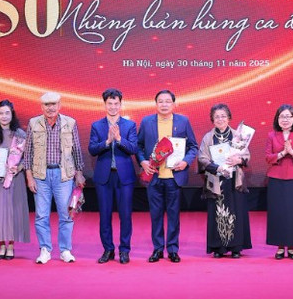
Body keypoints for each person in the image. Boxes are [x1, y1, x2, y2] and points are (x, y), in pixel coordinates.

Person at [137, 89, 198, 263]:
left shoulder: (183, 121)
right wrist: (142, 161)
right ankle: (157, 249)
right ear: (156, 104)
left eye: (168, 101)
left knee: (173, 215)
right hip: (154, 176)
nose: (164, 104)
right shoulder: (147, 122)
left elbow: (193, 146)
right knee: (155, 215)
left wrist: (186, 161)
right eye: (161, 101)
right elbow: (139, 146)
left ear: (174, 104)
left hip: (174, 176)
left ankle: (172, 249)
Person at [24, 91, 86, 264]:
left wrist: (79, 173)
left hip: (64, 175)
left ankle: (65, 250)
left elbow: (76, 150)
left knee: (66, 214)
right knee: (41, 215)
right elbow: (27, 152)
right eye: (47, 104)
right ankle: (45, 249)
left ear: (59, 105)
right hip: (40, 175)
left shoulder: (70, 122)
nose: (50, 108)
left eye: (53, 104)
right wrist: (29, 177)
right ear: (41, 107)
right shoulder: (33, 123)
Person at [88, 88, 138, 264]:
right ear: (104, 104)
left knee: (125, 215)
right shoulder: (97, 125)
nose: (113, 107)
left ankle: (124, 250)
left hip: (125, 178)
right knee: (105, 215)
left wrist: (119, 139)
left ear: (121, 104)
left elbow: (133, 148)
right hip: (104, 177)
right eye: (110, 103)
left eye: (116, 103)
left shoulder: (130, 125)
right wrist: (108, 141)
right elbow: (92, 149)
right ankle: (108, 249)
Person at [197, 103, 252, 258]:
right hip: (216, 180)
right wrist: (217, 168)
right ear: (212, 119)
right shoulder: (208, 137)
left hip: (234, 180)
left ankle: (236, 247)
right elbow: (202, 158)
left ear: (229, 118)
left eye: (223, 116)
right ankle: (218, 248)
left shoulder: (237, 136)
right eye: (216, 117)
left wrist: (238, 160)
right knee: (217, 212)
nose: (220, 119)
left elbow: (246, 155)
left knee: (236, 211)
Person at [0, 100, 31, 260]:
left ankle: (10, 246)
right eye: (1, 113)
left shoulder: (20, 134)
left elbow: (27, 157)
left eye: (7, 113)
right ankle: (1, 246)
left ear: (12, 115)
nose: (4, 116)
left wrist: (19, 167)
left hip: (15, 178)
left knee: (12, 212)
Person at [265, 104, 293, 260]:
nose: (285, 119)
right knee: (277, 212)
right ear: (277, 119)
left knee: (292, 213)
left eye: (288, 116)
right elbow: (268, 157)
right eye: (282, 116)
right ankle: (279, 247)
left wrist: (292, 152)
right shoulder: (271, 135)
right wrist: (283, 153)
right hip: (276, 177)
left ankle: (291, 247)